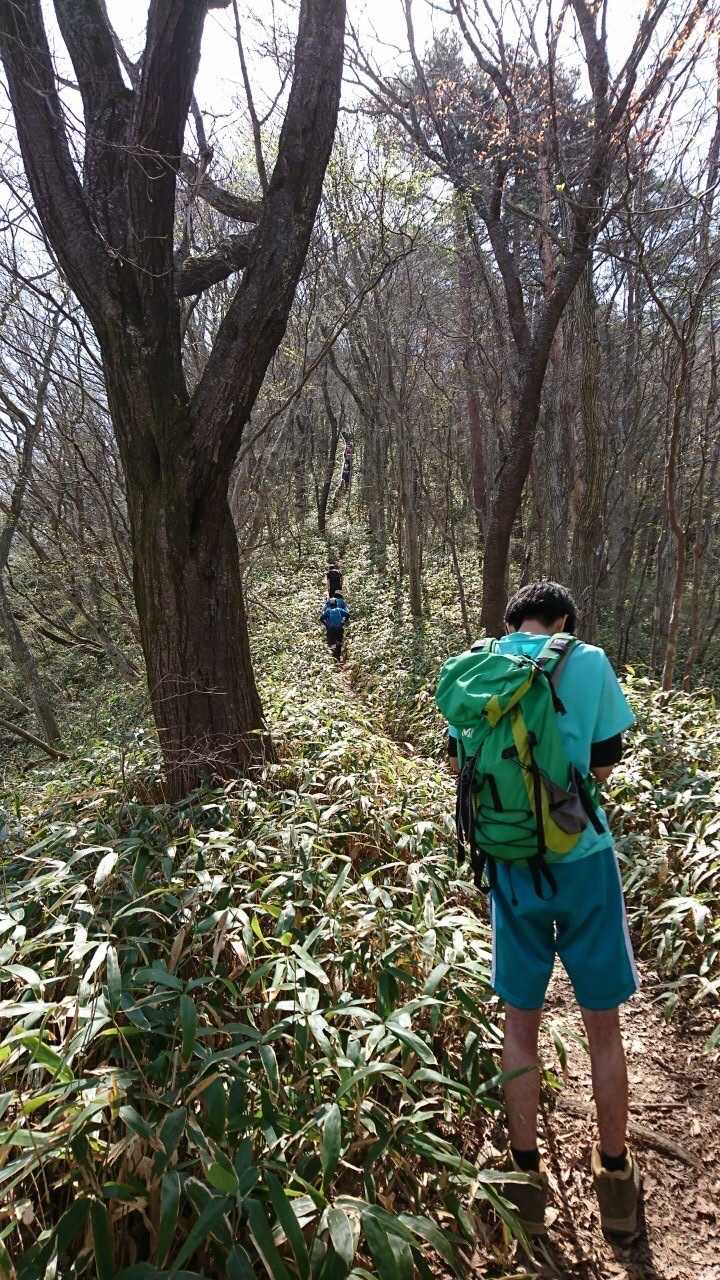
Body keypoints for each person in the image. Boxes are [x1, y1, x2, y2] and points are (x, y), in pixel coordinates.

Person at [440, 581, 640, 1241]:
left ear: (513, 623)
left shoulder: (479, 666)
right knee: (602, 1027)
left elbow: (460, 760)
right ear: (564, 622)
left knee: (519, 1021)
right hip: (583, 858)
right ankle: (616, 1183)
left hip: (509, 863)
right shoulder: (589, 661)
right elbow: (604, 765)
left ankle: (525, 1180)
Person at [320, 593, 349, 661]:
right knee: (339, 640)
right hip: (339, 627)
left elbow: (321, 617)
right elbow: (347, 614)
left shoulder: (328, 610)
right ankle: (338, 656)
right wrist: (343, 622)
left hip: (330, 628)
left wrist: (326, 624)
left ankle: (333, 656)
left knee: (332, 641)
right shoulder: (340, 608)